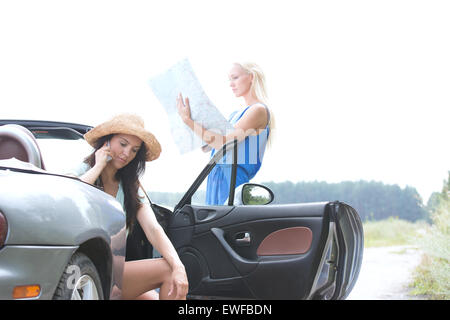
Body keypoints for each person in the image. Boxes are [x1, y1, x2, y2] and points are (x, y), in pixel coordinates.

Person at [71, 113, 188, 300]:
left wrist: (179, 265)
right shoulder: (83, 172)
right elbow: (69, 198)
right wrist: (99, 166)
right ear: (107, 141)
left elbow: (153, 228)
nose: (127, 154)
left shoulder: (130, 185)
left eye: (134, 150)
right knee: (167, 270)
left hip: (113, 271)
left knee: (161, 289)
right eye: (123, 144)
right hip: (81, 270)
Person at [176, 61, 274, 205]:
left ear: (251, 77)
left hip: (233, 178)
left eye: (235, 78)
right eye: (230, 79)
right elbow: (207, 147)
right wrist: (195, 117)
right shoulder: (235, 114)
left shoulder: (258, 110)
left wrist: (188, 120)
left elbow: (222, 143)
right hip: (215, 177)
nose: (231, 84)